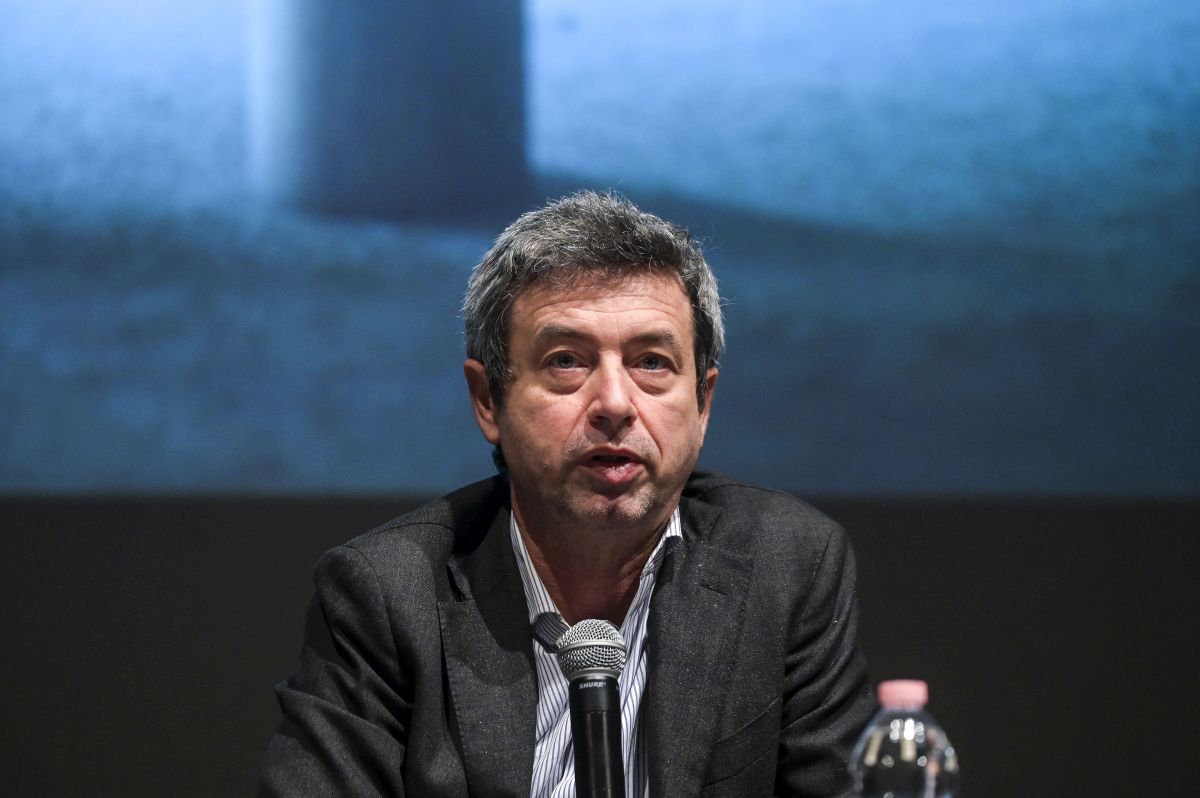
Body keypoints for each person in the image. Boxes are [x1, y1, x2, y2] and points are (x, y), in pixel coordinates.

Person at [260, 191, 874, 797]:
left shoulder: (786, 564)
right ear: (488, 401)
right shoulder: (388, 593)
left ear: (703, 402)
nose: (614, 403)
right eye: (566, 361)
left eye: (652, 362)